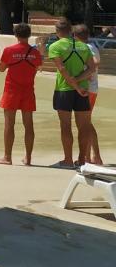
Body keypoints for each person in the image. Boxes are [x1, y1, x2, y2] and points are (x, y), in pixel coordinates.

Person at [47, 18, 97, 169]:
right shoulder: (83, 46)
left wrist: (73, 84)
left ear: (57, 32)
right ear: (70, 31)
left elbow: (62, 69)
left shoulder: (55, 46)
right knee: (84, 126)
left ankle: (68, 160)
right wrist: (78, 82)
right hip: (82, 91)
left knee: (65, 125)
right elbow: (91, 68)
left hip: (64, 90)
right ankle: (82, 160)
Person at [0, 22, 41, 166]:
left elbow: (1, 69)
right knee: (29, 125)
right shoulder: (35, 53)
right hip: (28, 90)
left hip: (11, 90)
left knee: (9, 124)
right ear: (29, 35)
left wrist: (10, 64)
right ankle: (28, 158)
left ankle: (7, 157)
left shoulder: (9, 50)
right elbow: (38, 68)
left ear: (15, 35)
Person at [74, 24, 103, 165]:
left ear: (75, 36)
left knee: (85, 123)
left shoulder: (88, 48)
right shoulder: (89, 47)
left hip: (88, 89)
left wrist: (86, 74)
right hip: (91, 88)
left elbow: (96, 62)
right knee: (86, 123)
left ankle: (93, 156)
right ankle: (90, 156)